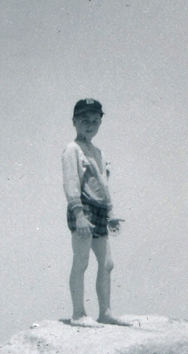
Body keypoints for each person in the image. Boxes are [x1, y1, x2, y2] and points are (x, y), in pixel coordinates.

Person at [62, 98, 127, 326]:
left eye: (94, 121)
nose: (89, 125)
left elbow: (103, 184)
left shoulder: (97, 152)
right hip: (83, 209)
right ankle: (78, 313)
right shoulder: (72, 149)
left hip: (99, 210)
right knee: (81, 261)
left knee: (107, 263)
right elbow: (71, 183)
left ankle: (105, 312)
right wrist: (78, 213)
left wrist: (110, 214)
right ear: (74, 121)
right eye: (83, 120)